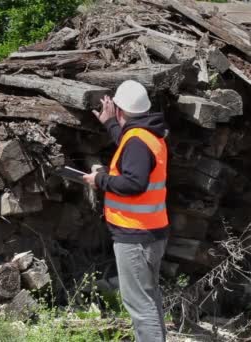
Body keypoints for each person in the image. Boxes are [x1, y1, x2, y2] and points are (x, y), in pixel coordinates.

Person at [83, 80, 169, 342]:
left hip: (135, 234)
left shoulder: (137, 143)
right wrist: (110, 124)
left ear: (121, 111)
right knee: (149, 299)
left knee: (139, 305)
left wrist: (100, 180)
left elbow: (134, 183)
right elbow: (128, 143)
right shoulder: (148, 135)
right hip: (151, 231)